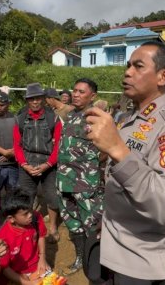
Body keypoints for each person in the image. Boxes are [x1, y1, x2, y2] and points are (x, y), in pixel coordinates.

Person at [83, 41, 165, 284]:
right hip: (115, 244)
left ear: (162, 76)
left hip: (142, 261)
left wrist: (118, 150)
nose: (127, 71)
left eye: (138, 66)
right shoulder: (129, 118)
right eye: (127, 65)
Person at [56, 78, 106, 277]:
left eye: (81, 92)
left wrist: (91, 170)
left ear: (92, 96)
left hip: (85, 184)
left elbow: (105, 151)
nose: (76, 94)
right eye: (74, 90)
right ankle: (80, 258)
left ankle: (95, 264)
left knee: (92, 226)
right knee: (73, 223)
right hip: (64, 182)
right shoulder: (71, 116)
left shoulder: (96, 118)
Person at [13, 83, 62, 244]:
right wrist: (24, 164)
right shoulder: (19, 118)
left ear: (43, 99)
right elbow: (17, 145)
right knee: (26, 198)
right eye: (31, 99)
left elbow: (58, 145)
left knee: (52, 198)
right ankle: (29, 228)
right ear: (27, 100)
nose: (35, 102)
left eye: (38, 98)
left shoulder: (53, 118)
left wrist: (48, 164)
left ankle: (53, 227)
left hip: (48, 164)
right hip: (27, 163)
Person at [0, 189, 50, 285]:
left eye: (30, 210)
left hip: (35, 265)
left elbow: (41, 236)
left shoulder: (36, 218)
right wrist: (27, 283)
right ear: (11, 219)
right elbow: (4, 267)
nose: (30, 215)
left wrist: (42, 257)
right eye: (25, 214)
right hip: (14, 273)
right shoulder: (2, 238)